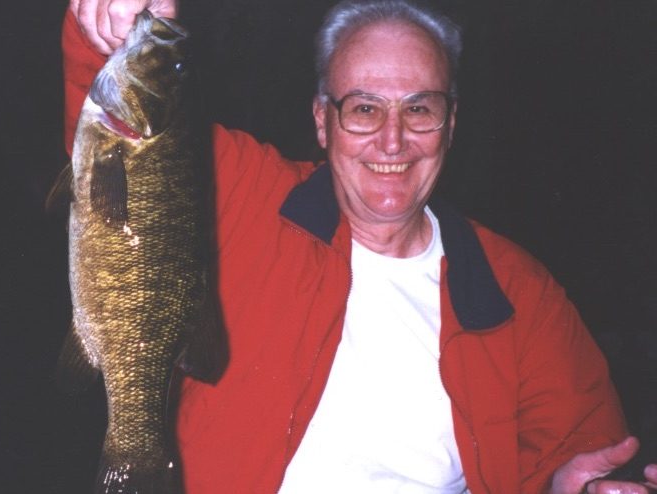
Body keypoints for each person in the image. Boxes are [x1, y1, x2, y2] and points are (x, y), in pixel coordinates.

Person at [63, 0, 657, 492]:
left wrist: (571, 486)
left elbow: (577, 446)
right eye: (364, 108)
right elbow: (126, 148)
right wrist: (107, 28)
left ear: (451, 124)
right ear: (322, 121)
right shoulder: (242, 193)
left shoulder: (516, 291)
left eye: (419, 109)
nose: (393, 140)